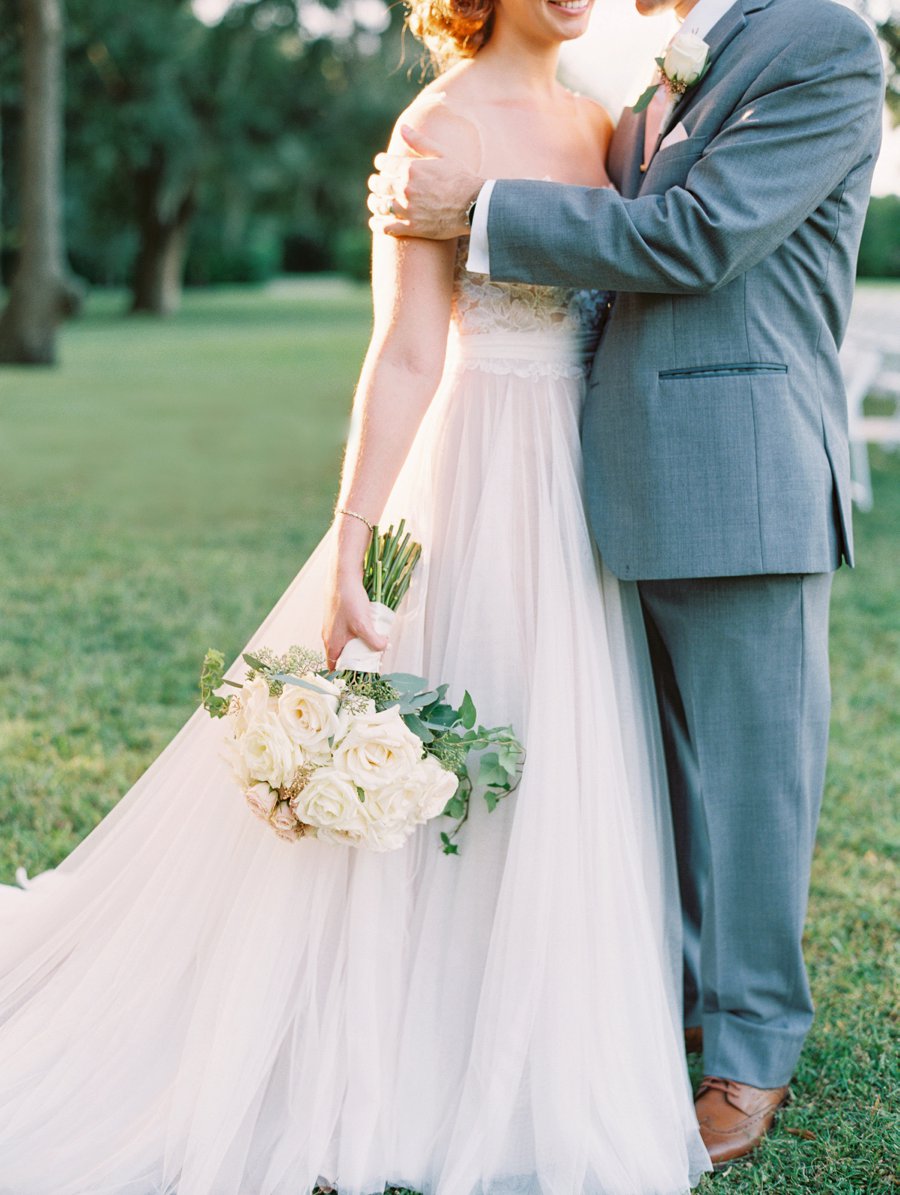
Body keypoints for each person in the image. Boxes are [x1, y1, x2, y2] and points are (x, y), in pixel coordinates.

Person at [0, 0, 713, 1192]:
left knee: (555, 749)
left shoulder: (605, 119)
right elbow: (407, 350)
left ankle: (529, 1014)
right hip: (476, 463)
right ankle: (412, 1033)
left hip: (577, 482)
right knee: (453, 727)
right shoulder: (436, 122)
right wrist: (354, 534)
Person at [367, 0, 885, 1171]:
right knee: (660, 782)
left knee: (755, 781)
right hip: (614, 478)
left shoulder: (821, 39)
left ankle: (750, 1052)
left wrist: (481, 211)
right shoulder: (653, 83)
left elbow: (700, 236)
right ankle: (676, 1006)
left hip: (746, 477)